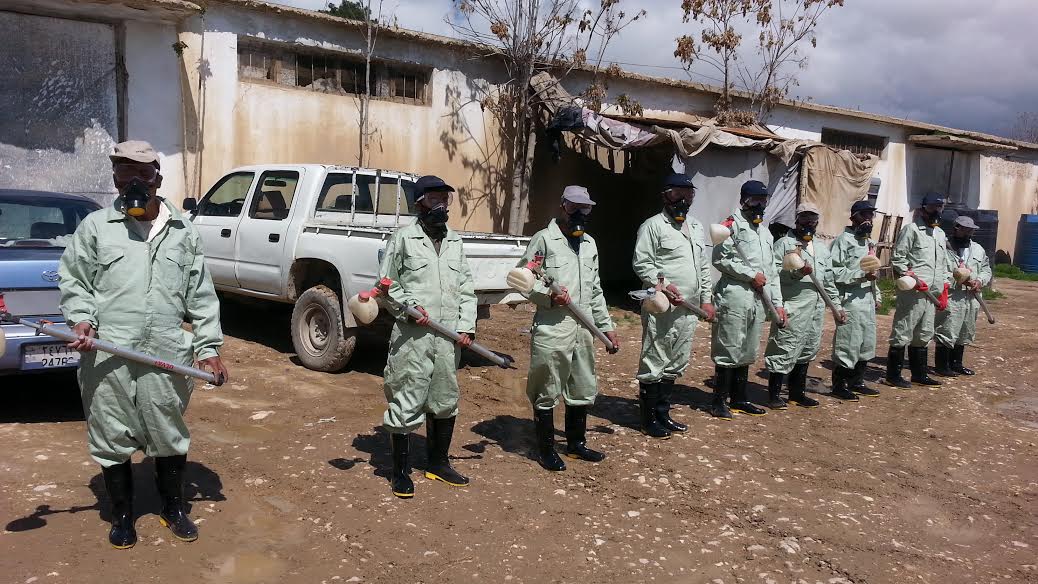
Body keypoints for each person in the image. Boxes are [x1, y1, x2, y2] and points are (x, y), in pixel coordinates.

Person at [58, 140, 228, 549]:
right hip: (108, 351)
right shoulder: (96, 227)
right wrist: (82, 319)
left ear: (158, 179)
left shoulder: (183, 231)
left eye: (143, 173)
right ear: (115, 179)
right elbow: (75, 280)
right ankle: (122, 516)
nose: (133, 181)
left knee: (167, 430)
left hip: (165, 349)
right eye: (123, 172)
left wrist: (208, 347)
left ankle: (173, 509)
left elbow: (200, 294)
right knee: (111, 431)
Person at [379, 175, 477, 499]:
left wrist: (466, 326)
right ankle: (400, 472)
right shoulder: (403, 239)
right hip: (413, 338)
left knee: (445, 399)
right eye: (434, 199)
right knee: (407, 398)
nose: (441, 205)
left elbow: (466, 288)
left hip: (447, 338)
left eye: (445, 199)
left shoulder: (455, 242)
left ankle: (438, 464)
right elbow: (386, 284)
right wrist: (408, 307)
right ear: (419, 202)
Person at [518, 186, 619, 471]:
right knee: (547, 386)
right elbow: (524, 281)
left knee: (582, 385)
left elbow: (595, 290)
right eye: (574, 207)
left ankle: (576, 444)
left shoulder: (589, 244)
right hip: (554, 326)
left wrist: (606, 326)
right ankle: (546, 450)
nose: (579, 214)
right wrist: (549, 297)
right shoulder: (544, 240)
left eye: (585, 208)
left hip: (584, 327)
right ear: (563, 206)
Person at [631, 173, 714, 439]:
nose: (683, 200)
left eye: (688, 194)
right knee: (655, 357)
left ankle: (663, 413)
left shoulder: (696, 226)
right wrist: (665, 285)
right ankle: (648, 420)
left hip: (689, 307)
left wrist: (707, 299)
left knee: (676, 360)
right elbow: (642, 263)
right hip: (662, 305)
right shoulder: (652, 226)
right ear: (665, 196)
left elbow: (702, 266)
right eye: (677, 194)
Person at [709, 180, 786, 420]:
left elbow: (772, 272)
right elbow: (720, 259)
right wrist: (750, 275)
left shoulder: (765, 232)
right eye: (755, 201)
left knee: (748, 348)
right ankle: (718, 401)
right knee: (729, 346)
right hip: (735, 296)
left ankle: (739, 399)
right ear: (744, 200)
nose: (759, 206)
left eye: (763, 201)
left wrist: (778, 304)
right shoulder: (730, 226)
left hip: (759, 298)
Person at [763, 203, 848, 409]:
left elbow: (828, 282)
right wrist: (797, 273)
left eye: (812, 219)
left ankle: (796, 393)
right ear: (797, 220)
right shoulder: (784, 244)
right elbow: (774, 275)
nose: (808, 223)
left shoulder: (821, 248)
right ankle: (773, 394)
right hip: (793, 305)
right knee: (783, 348)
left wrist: (837, 307)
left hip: (815, 309)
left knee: (807, 349)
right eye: (804, 218)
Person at [884, 192, 950, 388]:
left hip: (932, 294)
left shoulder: (940, 234)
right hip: (914, 292)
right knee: (903, 331)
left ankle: (919, 374)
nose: (936, 211)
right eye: (932, 207)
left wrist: (944, 288)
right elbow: (898, 259)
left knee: (924, 333)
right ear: (922, 209)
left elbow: (943, 264)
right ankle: (893, 375)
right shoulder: (911, 230)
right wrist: (911, 277)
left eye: (939, 207)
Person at [829, 200, 883, 397]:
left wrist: (877, 295)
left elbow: (873, 272)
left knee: (866, 343)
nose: (868, 219)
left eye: (871, 215)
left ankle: (857, 381)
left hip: (867, 300)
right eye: (864, 215)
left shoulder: (869, 242)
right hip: (850, 300)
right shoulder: (843, 241)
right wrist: (860, 275)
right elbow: (834, 272)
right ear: (853, 217)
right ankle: (840, 385)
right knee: (848, 343)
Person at [933, 215, 991, 376]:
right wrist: (958, 279)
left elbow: (986, 269)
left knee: (965, 329)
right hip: (953, 295)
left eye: (970, 230)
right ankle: (942, 366)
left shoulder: (978, 249)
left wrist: (979, 281)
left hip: (971, 297)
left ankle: (956, 364)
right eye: (965, 230)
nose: (968, 233)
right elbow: (938, 271)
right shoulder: (943, 248)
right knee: (947, 328)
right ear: (956, 228)